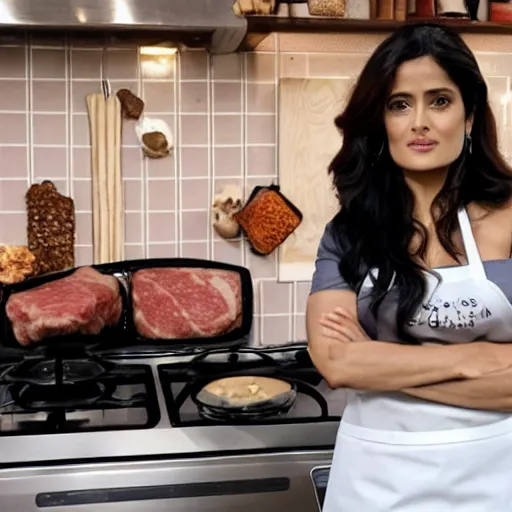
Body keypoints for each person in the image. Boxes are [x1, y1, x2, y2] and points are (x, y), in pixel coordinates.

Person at [306, 22, 512, 511]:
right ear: (382, 121)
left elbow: (358, 362)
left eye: (439, 100)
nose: (419, 121)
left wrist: (380, 365)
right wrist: (471, 359)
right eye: (400, 104)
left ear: (469, 116)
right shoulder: (350, 231)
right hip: (377, 481)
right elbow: (337, 363)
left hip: (497, 472)